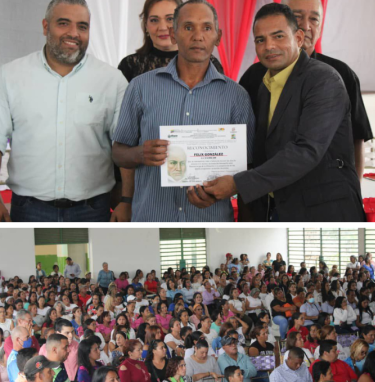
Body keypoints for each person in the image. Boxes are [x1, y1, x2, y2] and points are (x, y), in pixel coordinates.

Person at [207, 3, 365, 222]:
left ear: (298, 38)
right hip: (275, 209)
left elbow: (306, 150)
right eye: (260, 40)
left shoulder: (324, 80)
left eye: (278, 36)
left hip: (322, 213)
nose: (269, 46)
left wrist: (237, 184)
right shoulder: (261, 82)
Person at [111, 0, 254, 222]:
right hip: (151, 218)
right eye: (188, 27)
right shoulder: (140, 87)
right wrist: (139, 154)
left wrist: (227, 191)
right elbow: (118, 152)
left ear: (218, 36)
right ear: (173, 34)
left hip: (211, 218)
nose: (198, 36)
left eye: (207, 28)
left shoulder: (236, 96)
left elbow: (247, 167)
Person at [0, 0, 128, 222]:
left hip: (93, 209)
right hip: (29, 209)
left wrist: (127, 200)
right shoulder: (10, 76)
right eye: (63, 23)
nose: (74, 33)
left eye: (82, 26)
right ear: (45, 26)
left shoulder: (112, 80)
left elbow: (125, 145)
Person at [240, 0, 373, 181]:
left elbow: (357, 138)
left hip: (323, 189)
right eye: (298, 17)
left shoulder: (339, 75)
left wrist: (356, 186)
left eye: (314, 19)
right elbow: (246, 139)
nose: (306, 26)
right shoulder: (255, 76)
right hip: (266, 191)